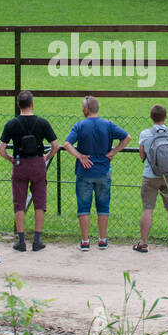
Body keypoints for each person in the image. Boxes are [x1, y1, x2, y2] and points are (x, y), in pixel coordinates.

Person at [62, 96, 130, 250]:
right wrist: (113, 152)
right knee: (103, 207)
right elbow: (127, 138)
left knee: (84, 207)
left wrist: (80, 156)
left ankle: (85, 242)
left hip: (84, 172)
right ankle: (102, 240)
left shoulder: (79, 125)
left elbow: (66, 144)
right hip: (103, 170)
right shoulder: (108, 125)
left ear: (86, 109)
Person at [0, 91, 59, 252]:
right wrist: (46, 157)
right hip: (38, 163)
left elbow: (1, 150)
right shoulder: (42, 123)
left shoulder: (11, 124)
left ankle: (21, 240)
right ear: (32, 104)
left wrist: (10, 158)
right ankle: (37, 240)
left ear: (18, 105)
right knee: (40, 202)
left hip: (20, 164)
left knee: (19, 202)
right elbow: (55, 145)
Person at [134, 103, 168, 253]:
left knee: (147, 209)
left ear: (151, 117)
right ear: (166, 117)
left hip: (150, 175)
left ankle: (143, 243)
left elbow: (142, 155)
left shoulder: (145, 134)